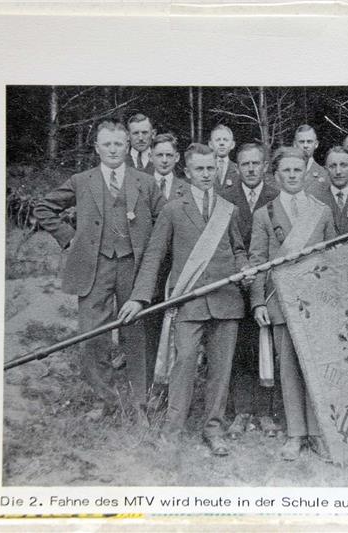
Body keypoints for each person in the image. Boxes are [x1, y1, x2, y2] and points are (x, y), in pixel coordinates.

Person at [119, 143, 252, 457]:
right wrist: (139, 297)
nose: (206, 175)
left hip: (225, 300)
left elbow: (237, 250)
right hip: (189, 301)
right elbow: (154, 255)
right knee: (184, 362)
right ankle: (173, 428)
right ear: (188, 172)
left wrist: (244, 267)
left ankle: (213, 429)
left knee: (221, 370)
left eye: (211, 169)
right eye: (199, 169)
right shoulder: (172, 209)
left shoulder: (227, 209)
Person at [34, 121, 159, 421]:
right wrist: (70, 239)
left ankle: (140, 403)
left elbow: (164, 220)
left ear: (128, 147)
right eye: (107, 144)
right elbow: (44, 208)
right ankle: (106, 399)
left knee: (136, 334)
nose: (114, 150)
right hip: (95, 266)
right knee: (92, 336)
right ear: (97, 148)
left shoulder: (145, 182)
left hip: (133, 266)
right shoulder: (81, 180)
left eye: (119, 144)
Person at [249, 146, 336, 461]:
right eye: (286, 171)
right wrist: (258, 302)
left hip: (316, 304)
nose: (292, 175)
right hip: (281, 302)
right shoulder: (265, 215)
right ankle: (296, 434)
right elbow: (257, 260)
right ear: (276, 175)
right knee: (288, 370)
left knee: (316, 368)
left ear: (306, 173)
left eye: (297, 170)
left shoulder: (322, 211)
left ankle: (318, 433)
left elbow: (332, 259)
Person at [221, 143, 282, 439]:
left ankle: (265, 411)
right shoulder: (226, 200)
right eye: (245, 164)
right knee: (240, 349)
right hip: (236, 287)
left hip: (269, 286)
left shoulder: (277, 197)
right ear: (237, 167)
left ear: (265, 165)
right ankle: (241, 410)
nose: (251, 169)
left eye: (256, 163)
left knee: (267, 347)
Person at [143, 133, 187, 396]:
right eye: (159, 155)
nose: (164, 160)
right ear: (150, 157)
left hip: (178, 270)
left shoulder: (186, 187)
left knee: (176, 333)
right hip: (148, 270)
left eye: (169, 155)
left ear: (177, 158)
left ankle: (174, 391)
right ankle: (150, 389)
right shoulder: (141, 184)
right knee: (148, 331)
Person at [292, 124, 329, 190]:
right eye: (301, 142)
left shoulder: (325, 174)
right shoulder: (284, 172)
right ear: (295, 144)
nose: (305, 145)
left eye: (309, 142)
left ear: (316, 144)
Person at [208, 124, 239, 192]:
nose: (221, 143)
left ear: (232, 145)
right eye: (218, 140)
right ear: (210, 144)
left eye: (225, 140)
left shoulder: (239, 170)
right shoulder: (203, 169)